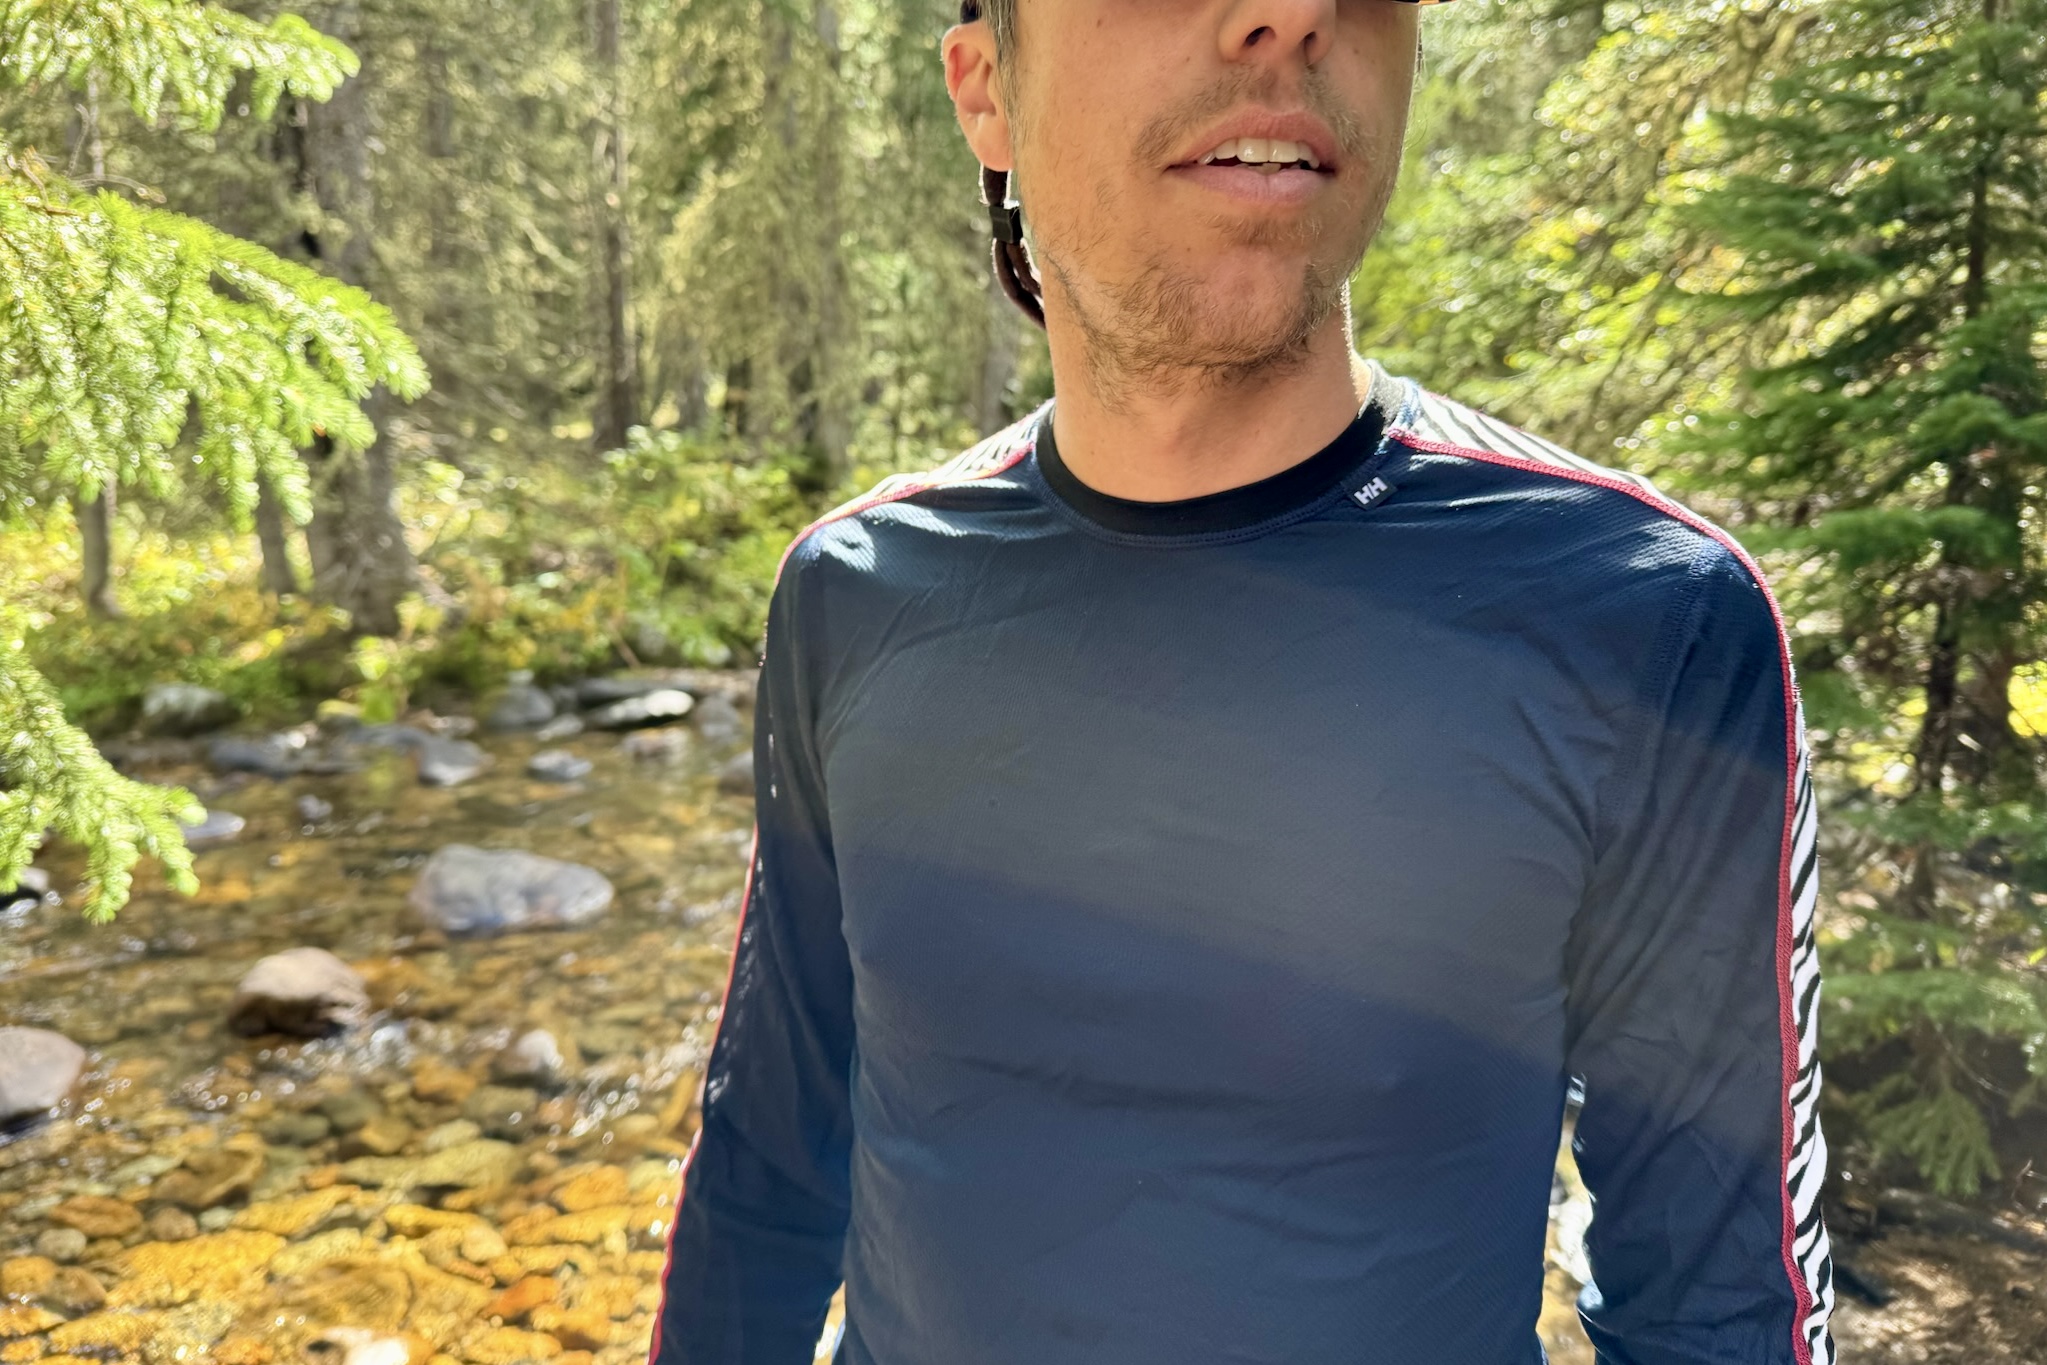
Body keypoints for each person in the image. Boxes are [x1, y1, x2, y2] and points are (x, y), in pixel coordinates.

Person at [651, 1, 1836, 1362]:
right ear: (987, 88)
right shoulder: (853, 595)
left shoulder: (1649, 623)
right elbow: (765, 1165)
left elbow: (1721, 1310)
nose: (1290, 11)